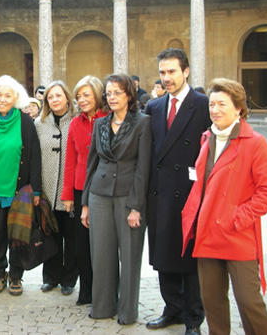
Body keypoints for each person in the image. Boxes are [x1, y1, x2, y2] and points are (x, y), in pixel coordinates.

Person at [182, 78, 267, 335]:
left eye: (222, 104)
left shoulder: (255, 143)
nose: (215, 110)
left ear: (238, 108)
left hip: (238, 234)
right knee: (213, 305)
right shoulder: (207, 138)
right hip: (208, 233)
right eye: (212, 104)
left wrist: (238, 215)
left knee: (249, 302)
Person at [144, 48, 209, 335]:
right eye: (162, 72)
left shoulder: (204, 105)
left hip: (191, 194)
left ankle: (193, 318)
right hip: (159, 195)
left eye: (172, 71)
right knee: (163, 256)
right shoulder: (154, 107)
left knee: (190, 262)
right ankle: (171, 309)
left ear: (186, 72)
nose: (166, 78)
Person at [81, 73, 151, 326]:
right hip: (99, 194)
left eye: (117, 93)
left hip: (127, 197)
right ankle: (102, 306)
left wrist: (136, 207)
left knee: (129, 256)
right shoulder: (100, 124)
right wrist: (86, 203)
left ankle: (127, 311)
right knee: (101, 253)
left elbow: (143, 168)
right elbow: (91, 165)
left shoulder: (143, 123)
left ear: (129, 95)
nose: (111, 97)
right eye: (108, 93)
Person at [0, 75, 42, 296]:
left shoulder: (25, 122)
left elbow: (34, 156)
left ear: (16, 98)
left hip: (18, 190)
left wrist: (36, 189)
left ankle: (16, 276)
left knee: (17, 235)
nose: (2, 99)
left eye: (7, 95)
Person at [62, 75, 108, 306]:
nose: (81, 100)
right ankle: (86, 291)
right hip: (81, 190)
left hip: (105, 189)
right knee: (82, 245)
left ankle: (105, 292)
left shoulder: (110, 119)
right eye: (78, 96)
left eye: (86, 95)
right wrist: (67, 196)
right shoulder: (74, 124)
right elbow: (69, 162)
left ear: (98, 95)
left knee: (104, 244)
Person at [34, 81, 76, 296]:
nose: (55, 100)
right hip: (48, 190)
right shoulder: (40, 123)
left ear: (67, 98)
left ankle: (69, 279)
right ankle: (50, 277)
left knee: (71, 237)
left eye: (59, 95)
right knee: (50, 236)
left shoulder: (77, 121)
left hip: (70, 192)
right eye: (50, 97)